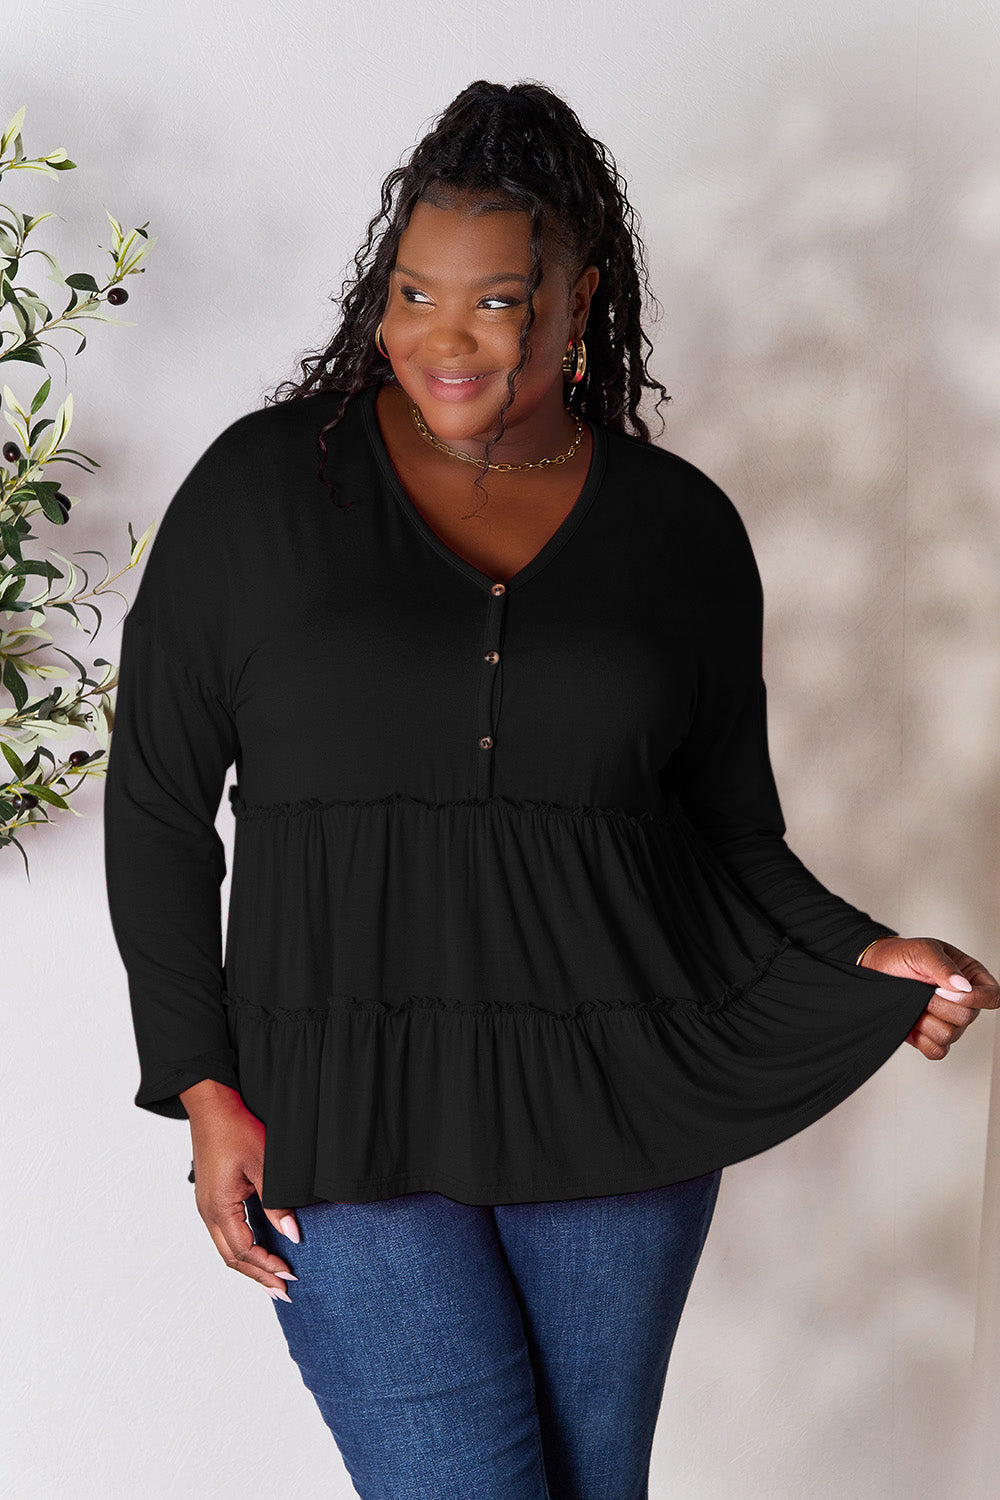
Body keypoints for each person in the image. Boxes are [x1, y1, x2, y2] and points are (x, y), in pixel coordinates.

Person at [103, 78, 998, 1500]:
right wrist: (204, 1084)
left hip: (616, 1097)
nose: (441, 341)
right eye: (412, 291)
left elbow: (724, 829)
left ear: (581, 304)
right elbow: (155, 808)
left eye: (499, 301)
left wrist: (858, 952)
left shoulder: (679, 530)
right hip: (348, 1098)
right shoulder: (263, 495)